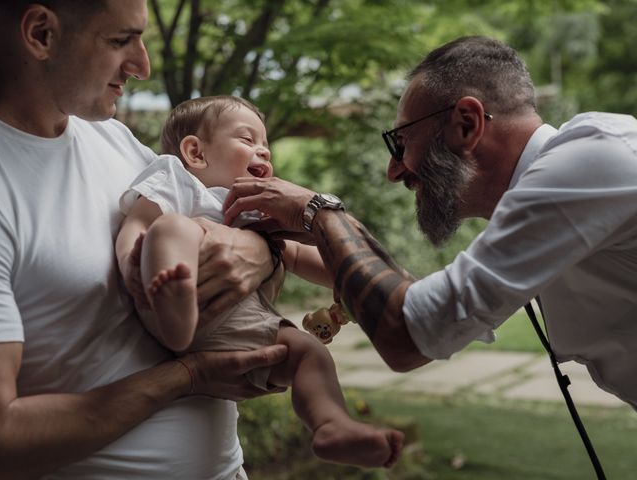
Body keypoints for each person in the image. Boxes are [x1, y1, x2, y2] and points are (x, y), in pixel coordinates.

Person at [223, 35, 637, 410]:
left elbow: (407, 335)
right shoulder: (568, 180)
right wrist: (332, 227)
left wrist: (319, 212)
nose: (393, 170)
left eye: (400, 142)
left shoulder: (589, 161)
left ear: (466, 124)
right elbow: (428, 303)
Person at [0, 1, 290, 478]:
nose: (142, 65)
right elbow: (2, 438)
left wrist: (260, 251)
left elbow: (211, 217)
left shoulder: (113, 140)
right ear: (40, 34)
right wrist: (186, 378)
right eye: (120, 41)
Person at [115, 94, 404, 469]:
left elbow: (296, 255)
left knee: (308, 354)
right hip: (168, 294)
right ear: (195, 153)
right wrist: (127, 263)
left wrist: (348, 275)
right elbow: (137, 223)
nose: (264, 152)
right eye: (248, 140)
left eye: (265, 144)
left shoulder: (255, 208)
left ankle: (331, 425)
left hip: (239, 324)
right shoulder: (178, 179)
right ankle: (176, 306)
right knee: (172, 227)